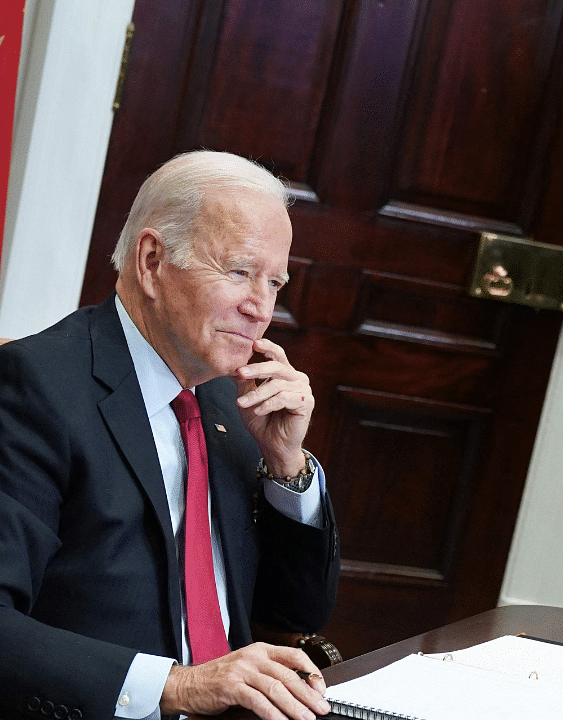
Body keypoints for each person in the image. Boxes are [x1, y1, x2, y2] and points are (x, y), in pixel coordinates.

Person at [0, 151, 340, 720]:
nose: (261, 309)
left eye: (274, 281)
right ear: (153, 260)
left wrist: (287, 466)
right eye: (239, 271)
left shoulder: (228, 398)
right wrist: (178, 687)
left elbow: (299, 614)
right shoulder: (37, 390)